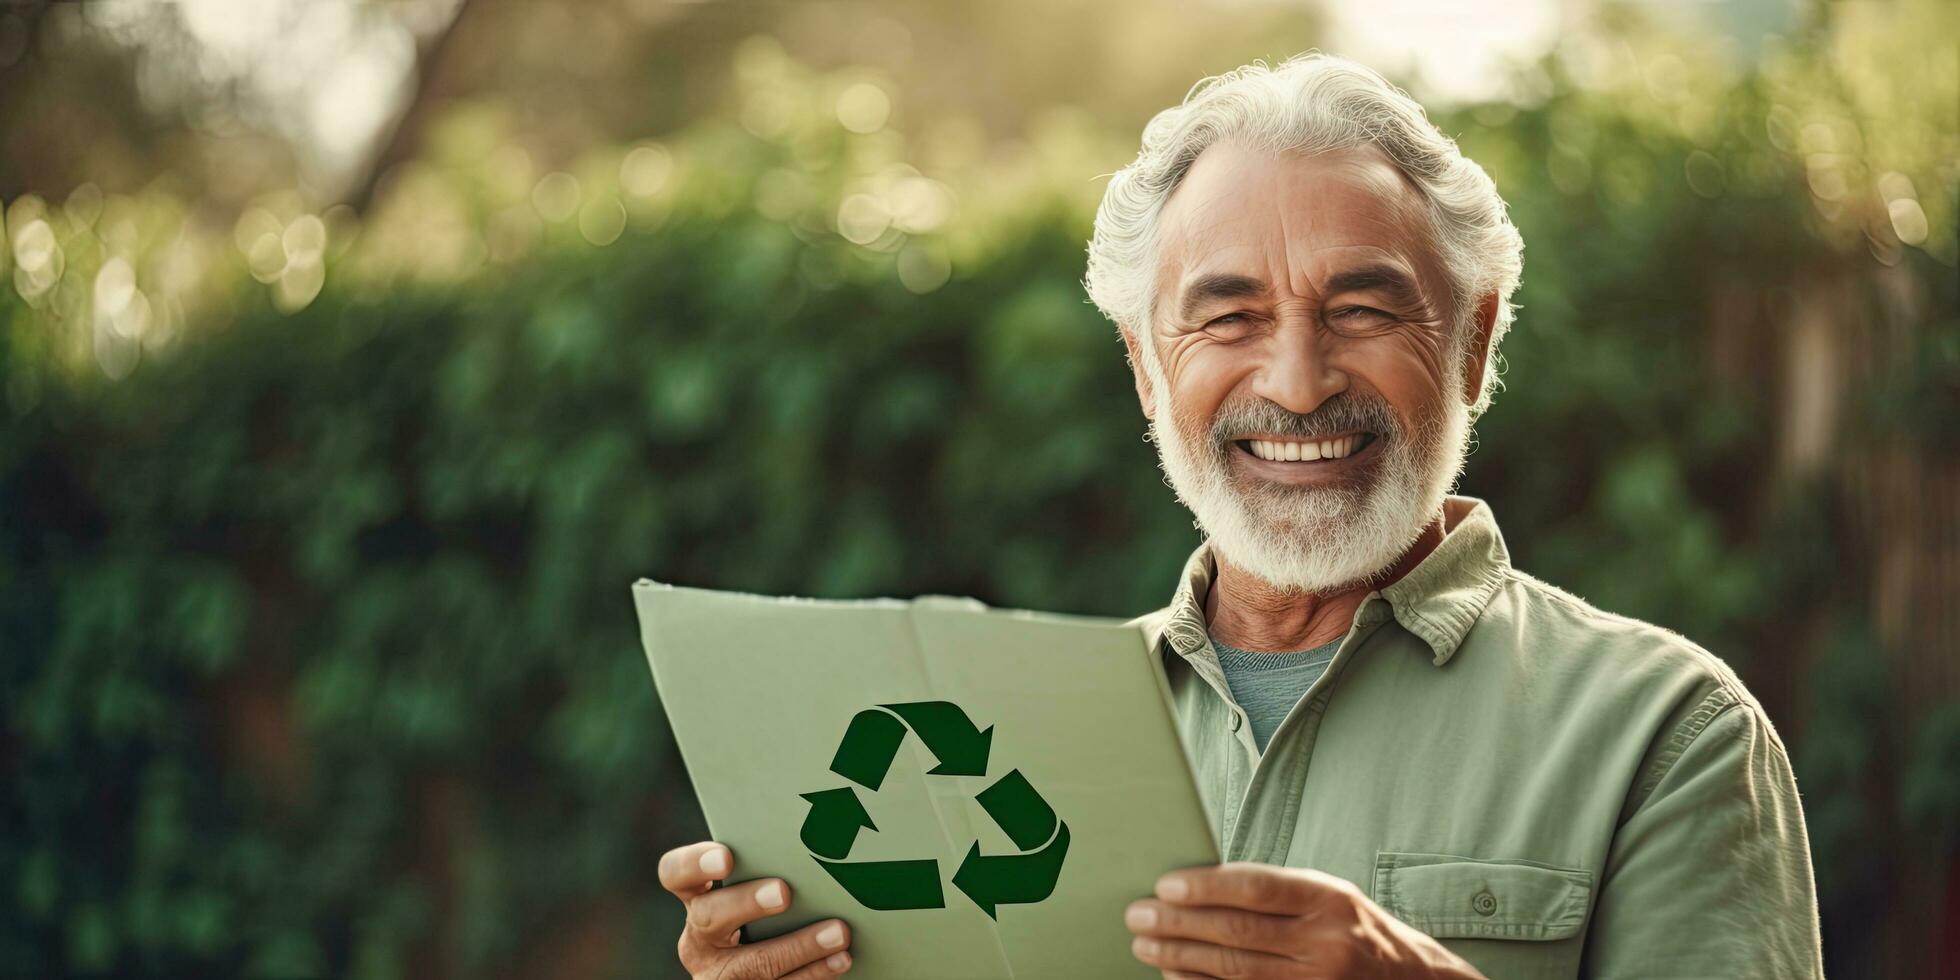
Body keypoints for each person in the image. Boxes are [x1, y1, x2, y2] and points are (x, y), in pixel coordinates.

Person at [657, 52, 1825, 979]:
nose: (1299, 380)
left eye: (1362, 307)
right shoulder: (1018, 732)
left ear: (1472, 342)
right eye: (1227, 318)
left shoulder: (1668, 735)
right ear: (1144, 368)